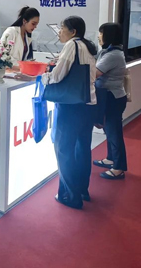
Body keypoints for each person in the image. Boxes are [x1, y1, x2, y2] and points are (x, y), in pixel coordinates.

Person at [41, 16, 97, 209]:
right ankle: (82, 190)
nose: (59, 32)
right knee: (82, 149)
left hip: (71, 106)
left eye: (62, 28)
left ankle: (70, 196)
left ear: (73, 32)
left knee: (63, 149)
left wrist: (43, 77)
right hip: (88, 104)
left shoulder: (71, 45)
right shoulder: (87, 47)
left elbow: (57, 75)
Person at [93, 23, 128, 180]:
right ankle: (111, 158)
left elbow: (95, 72)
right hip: (110, 96)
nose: (99, 36)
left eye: (101, 33)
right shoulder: (108, 52)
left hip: (113, 98)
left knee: (114, 133)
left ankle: (119, 167)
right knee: (109, 130)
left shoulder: (113, 55)